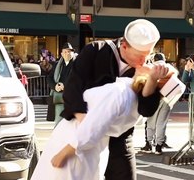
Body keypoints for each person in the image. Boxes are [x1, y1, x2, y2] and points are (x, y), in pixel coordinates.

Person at [61, 19, 167, 180]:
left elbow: (146, 110)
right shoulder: (95, 50)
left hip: (121, 135)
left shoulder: (144, 68)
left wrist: (152, 80)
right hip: (84, 125)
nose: (143, 61)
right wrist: (88, 125)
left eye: (148, 56)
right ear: (124, 45)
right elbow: (72, 89)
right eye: (139, 56)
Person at [31, 63, 169, 180]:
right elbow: (94, 126)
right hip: (81, 143)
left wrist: (64, 152)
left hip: (78, 143)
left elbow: (94, 127)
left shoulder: (124, 92)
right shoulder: (126, 95)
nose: (146, 63)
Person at [140, 53, 174, 155]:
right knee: (161, 122)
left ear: (154, 59)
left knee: (151, 121)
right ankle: (159, 146)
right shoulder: (171, 68)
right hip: (168, 97)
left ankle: (149, 144)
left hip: (155, 96)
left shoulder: (152, 67)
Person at [47, 42, 77, 124]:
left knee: (71, 123)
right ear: (61, 54)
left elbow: (79, 79)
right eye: (65, 52)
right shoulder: (57, 65)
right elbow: (49, 78)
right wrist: (55, 86)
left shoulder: (78, 64)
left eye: (69, 52)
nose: (67, 54)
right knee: (58, 122)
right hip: (58, 98)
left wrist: (65, 86)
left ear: (73, 53)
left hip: (72, 98)